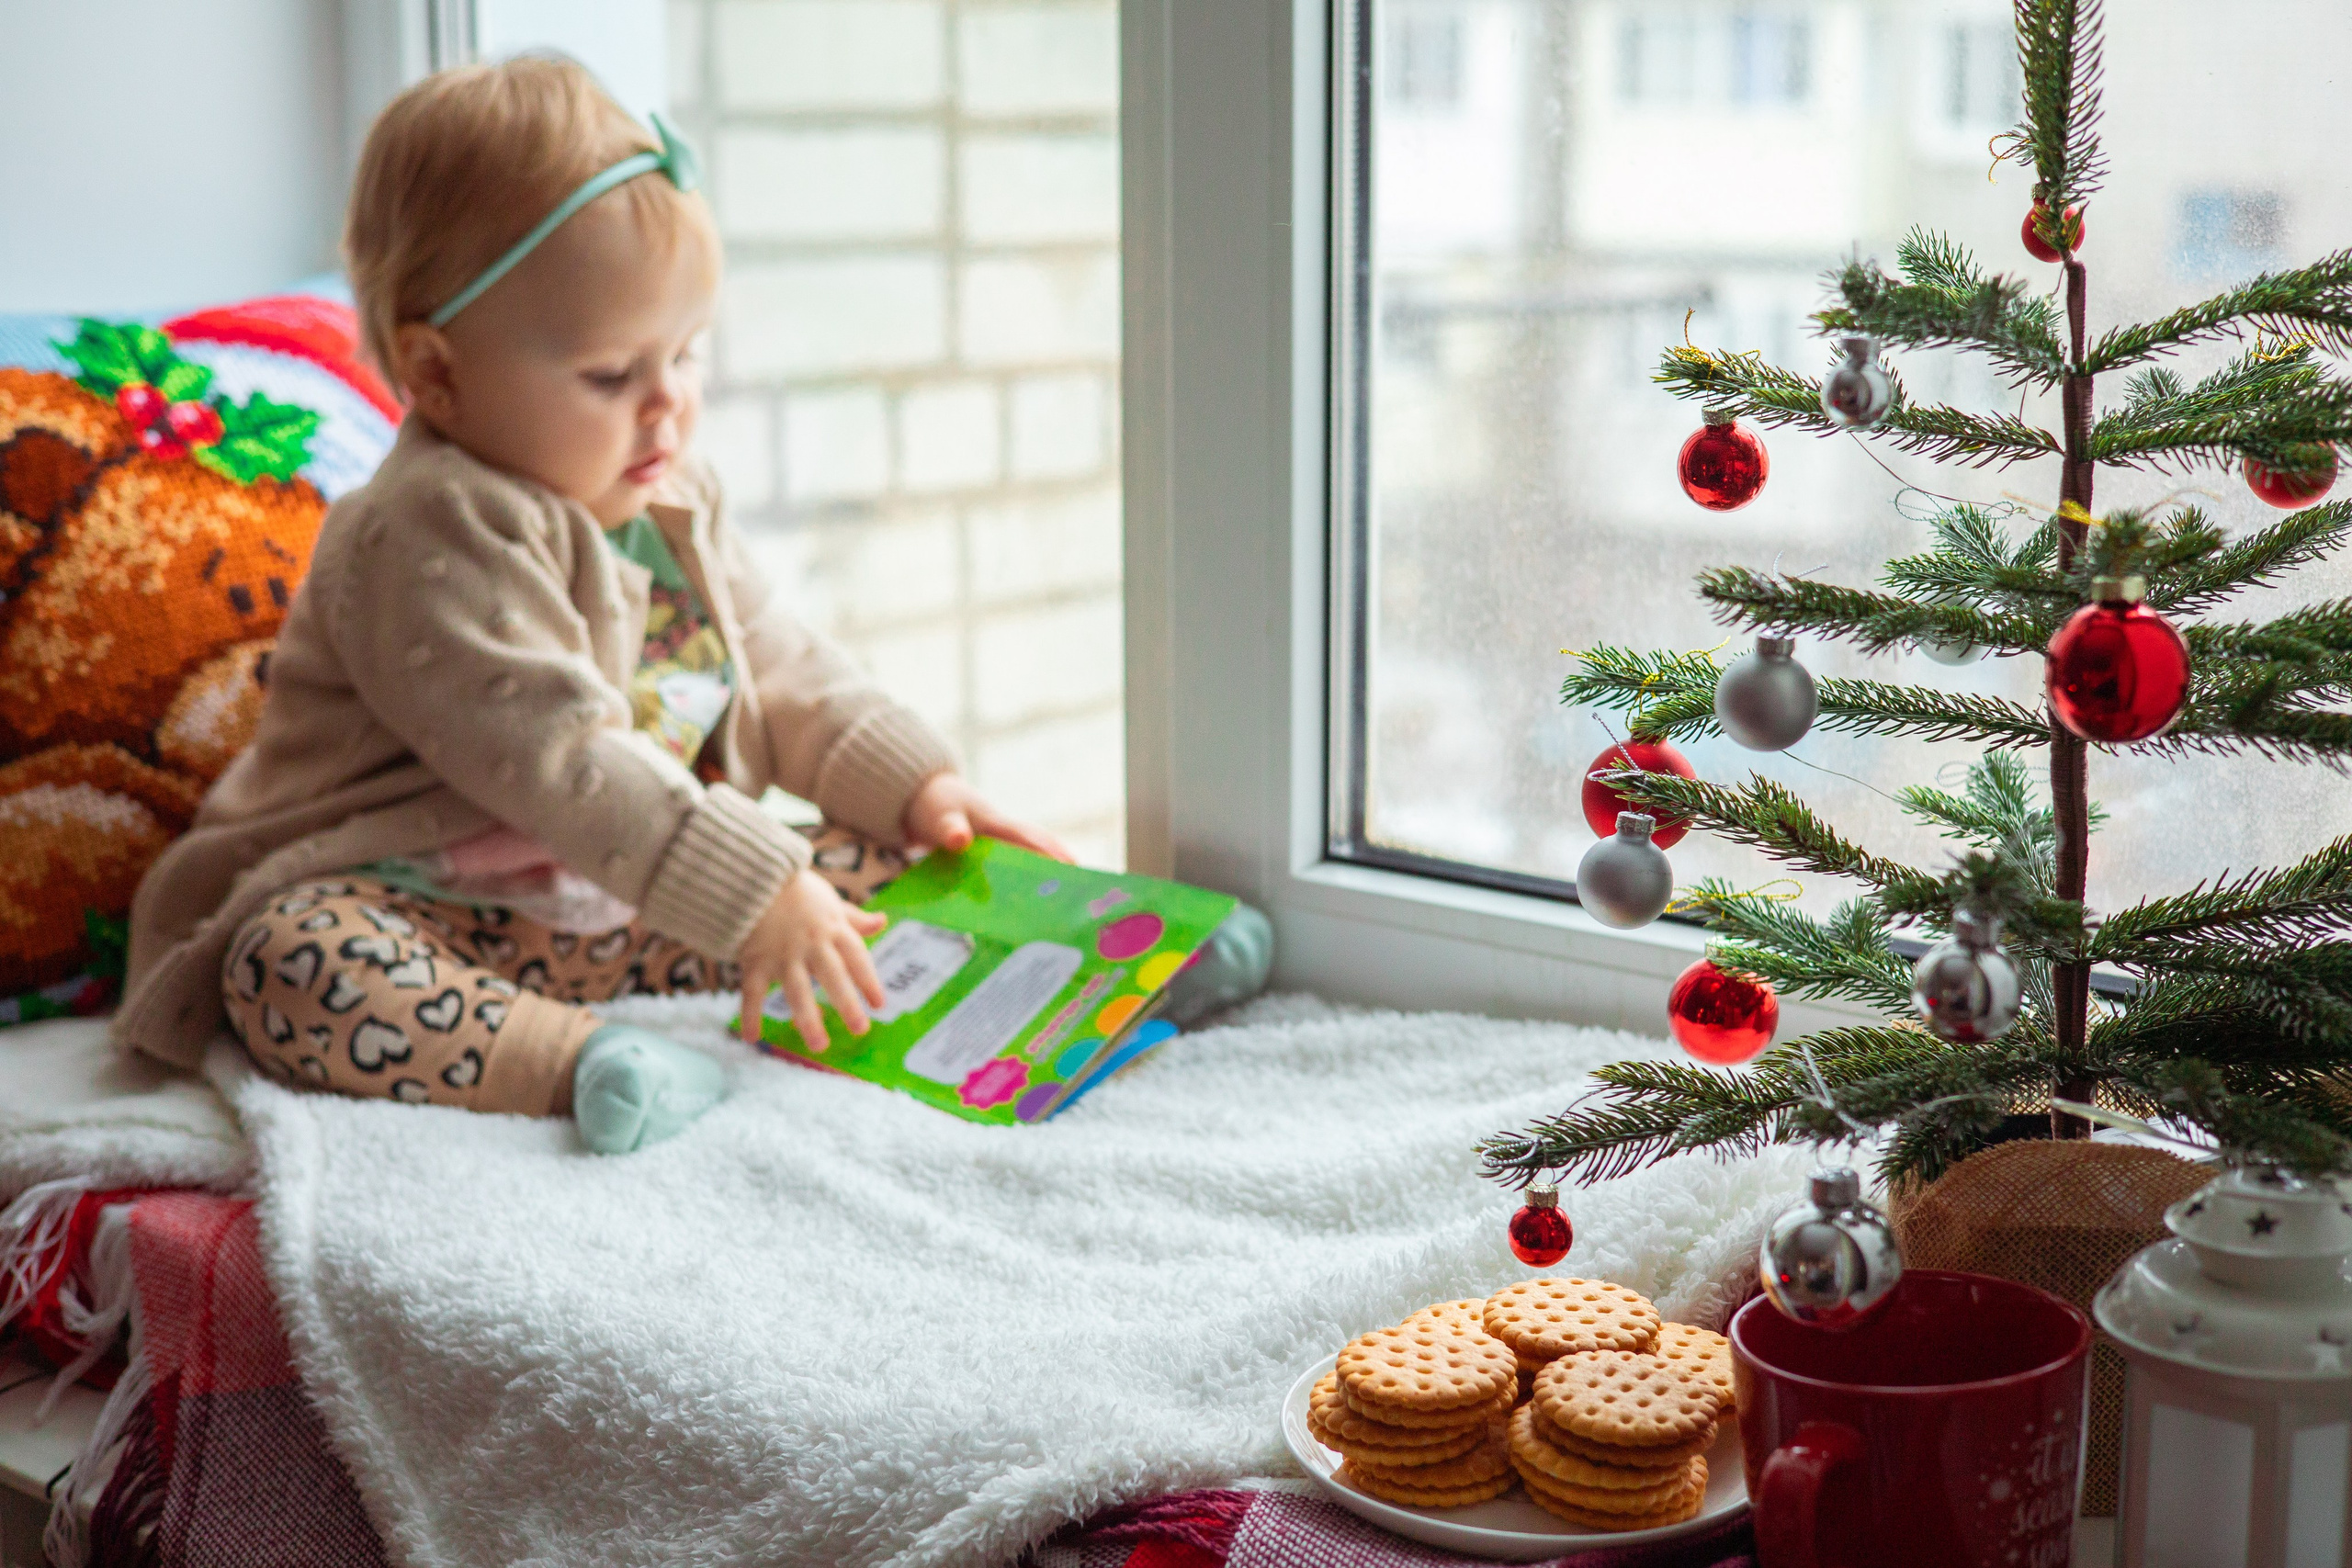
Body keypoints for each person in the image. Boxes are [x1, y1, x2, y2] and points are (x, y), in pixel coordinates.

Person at [111, 55, 1067, 1153]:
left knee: (872, 873)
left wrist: (918, 787)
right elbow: (557, 753)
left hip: (608, 898)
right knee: (288, 968)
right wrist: (756, 893)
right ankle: (572, 1062)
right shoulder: (424, 527)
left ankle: (1082, 966)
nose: (669, 405)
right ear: (437, 374)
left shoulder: (667, 495)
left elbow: (779, 662)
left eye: (685, 355)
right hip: (406, 896)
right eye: (613, 375)